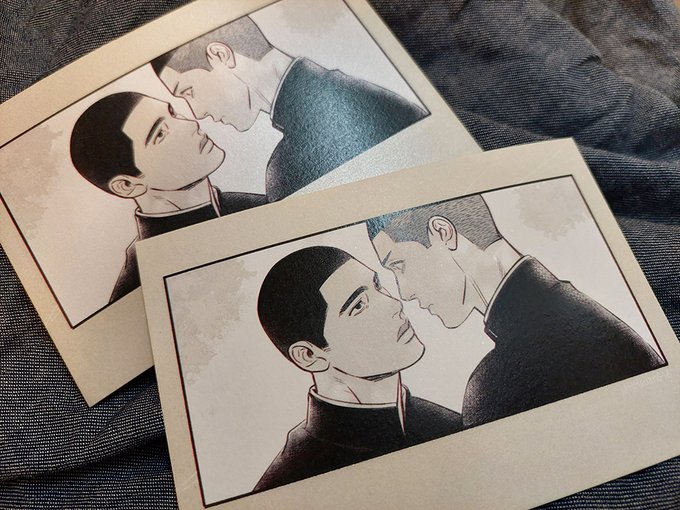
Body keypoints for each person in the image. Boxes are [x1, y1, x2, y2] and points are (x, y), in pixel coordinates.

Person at [366, 194, 665, 427]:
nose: (404, 292)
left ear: (442, 232)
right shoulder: (586, 315)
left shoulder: (495, 386)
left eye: (399, 265)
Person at [150, 16, 428, 202]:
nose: (197, 113)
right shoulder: (364, 94)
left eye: (188, 91)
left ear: (221, 55)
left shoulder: (289, 168)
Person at [255, 246, 463, 492]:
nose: (394, 304)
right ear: (310, 356)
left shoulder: (452, 425)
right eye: (359, 306)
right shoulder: (288, 484)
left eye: (378, 286)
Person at [70, 91, 266, 302]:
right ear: (128, 185)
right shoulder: (140, 285)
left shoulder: (258, 208)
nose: (190, 124)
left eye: (174, 113)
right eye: (161, 134)